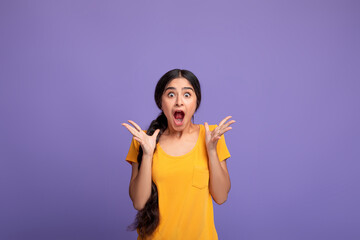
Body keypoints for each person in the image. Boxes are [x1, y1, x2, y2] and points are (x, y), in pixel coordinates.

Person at [122, 69, 235, 240]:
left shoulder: (212, 136)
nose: (179, 102)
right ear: (161, 102)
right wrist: (147, 154)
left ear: (196, 102)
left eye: (187, 95)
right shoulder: (144, 140)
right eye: (171, 95)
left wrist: (211, 151)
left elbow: (221, 197)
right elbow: (139, 202)